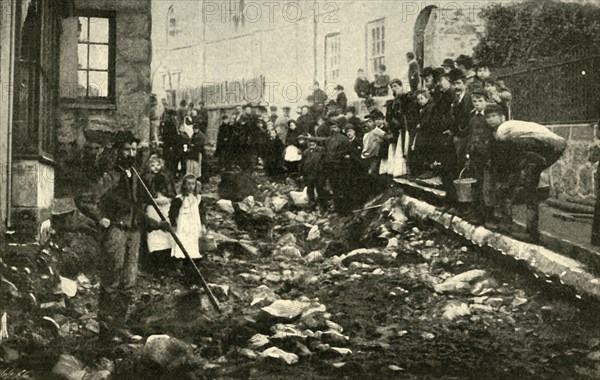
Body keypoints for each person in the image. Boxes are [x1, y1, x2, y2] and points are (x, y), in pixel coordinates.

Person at [76, 131, 169, 342]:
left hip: (134, 233)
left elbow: (138, 209)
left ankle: (119, 326)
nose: (131, 153)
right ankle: (106, 331)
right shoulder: (111, 176)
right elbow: (84, 199)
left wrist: (157, 224)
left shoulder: (136, 177)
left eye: (134, 149)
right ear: (119, 151)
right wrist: (100, 218)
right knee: (112, 278)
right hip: (116, 232)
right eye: (127, 149)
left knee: (128, 281)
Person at [486, 104, 567, 243]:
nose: (490, 120)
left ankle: (531, 233)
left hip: (542, 151)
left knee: (526, 193)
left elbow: (524, 146)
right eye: (488, 117)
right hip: (550, 148)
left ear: (503, 117)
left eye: (494, 116)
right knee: (523, 191)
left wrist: (529, 164)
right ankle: (522, 228)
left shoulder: (503, 131)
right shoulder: (513, 127)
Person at [464, 88, 495, 225]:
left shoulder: (489, 118)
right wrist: (468, 152)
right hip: (475, 155)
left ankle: (488, 215)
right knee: (476, 184)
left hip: (487, 155)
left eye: (480, 101)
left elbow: (492, 136)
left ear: (486, 101)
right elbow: (470, 136)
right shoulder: (472, 119)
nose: (477, 103)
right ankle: (476, 213)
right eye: (474, 101)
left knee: (487, 187)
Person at [143, 154, 176, 276]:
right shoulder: (146, 178)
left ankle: (168, 262)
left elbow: (172, 191)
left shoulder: (167, 176)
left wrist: (167, 198)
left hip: (166, 206)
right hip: (153, 207)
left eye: (158, 164)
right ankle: (156, 264)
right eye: (152, 165)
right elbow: (145, 195)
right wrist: (153, 200)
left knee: (167, 233)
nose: (155, 167)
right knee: (155, 233)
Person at [169, 175, 207, 260]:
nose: (191, 186)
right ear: (184, 185)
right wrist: (174, 225)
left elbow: (202, 213)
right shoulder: (179, 199)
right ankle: (180, 260)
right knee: (182, 242)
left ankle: (191, 260)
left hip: (193, 223)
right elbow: (172, 213)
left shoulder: (197, 199)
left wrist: (203, 224)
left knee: (192, 241)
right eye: (188, 184)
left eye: (193, 184)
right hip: (183, 224)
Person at [324, 121, 353, 214]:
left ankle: (345, 210)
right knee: (334, 188)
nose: (333, 129)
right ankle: (338, 209)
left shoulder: (344, 139)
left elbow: (347, 152)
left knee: (343, 188)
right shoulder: (329, 140)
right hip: (331, 168)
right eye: (332, 127)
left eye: (335, 127)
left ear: (339, 128)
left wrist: (338, 157)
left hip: (341, 168)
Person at [449, 68, 473, 171]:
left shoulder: (470, 98)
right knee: (459, 159)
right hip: (458, 134)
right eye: (454, 84)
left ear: (465, 84)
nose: (456, 87)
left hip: (467, 134)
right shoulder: (455, 98)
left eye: (458, 83)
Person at [301, 138, 327, 212]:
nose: (311, 144)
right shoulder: (306, 152)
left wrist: (323, 173)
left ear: (316, 143)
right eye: (310, 143)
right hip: (309, 174)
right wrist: (302, 173)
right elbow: (302, 164)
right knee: (310, 190)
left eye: (313, 143)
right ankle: (312, 206)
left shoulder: (321, 150)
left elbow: (324, 162)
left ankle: (323, 207)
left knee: (320, 190)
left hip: (319, 174)